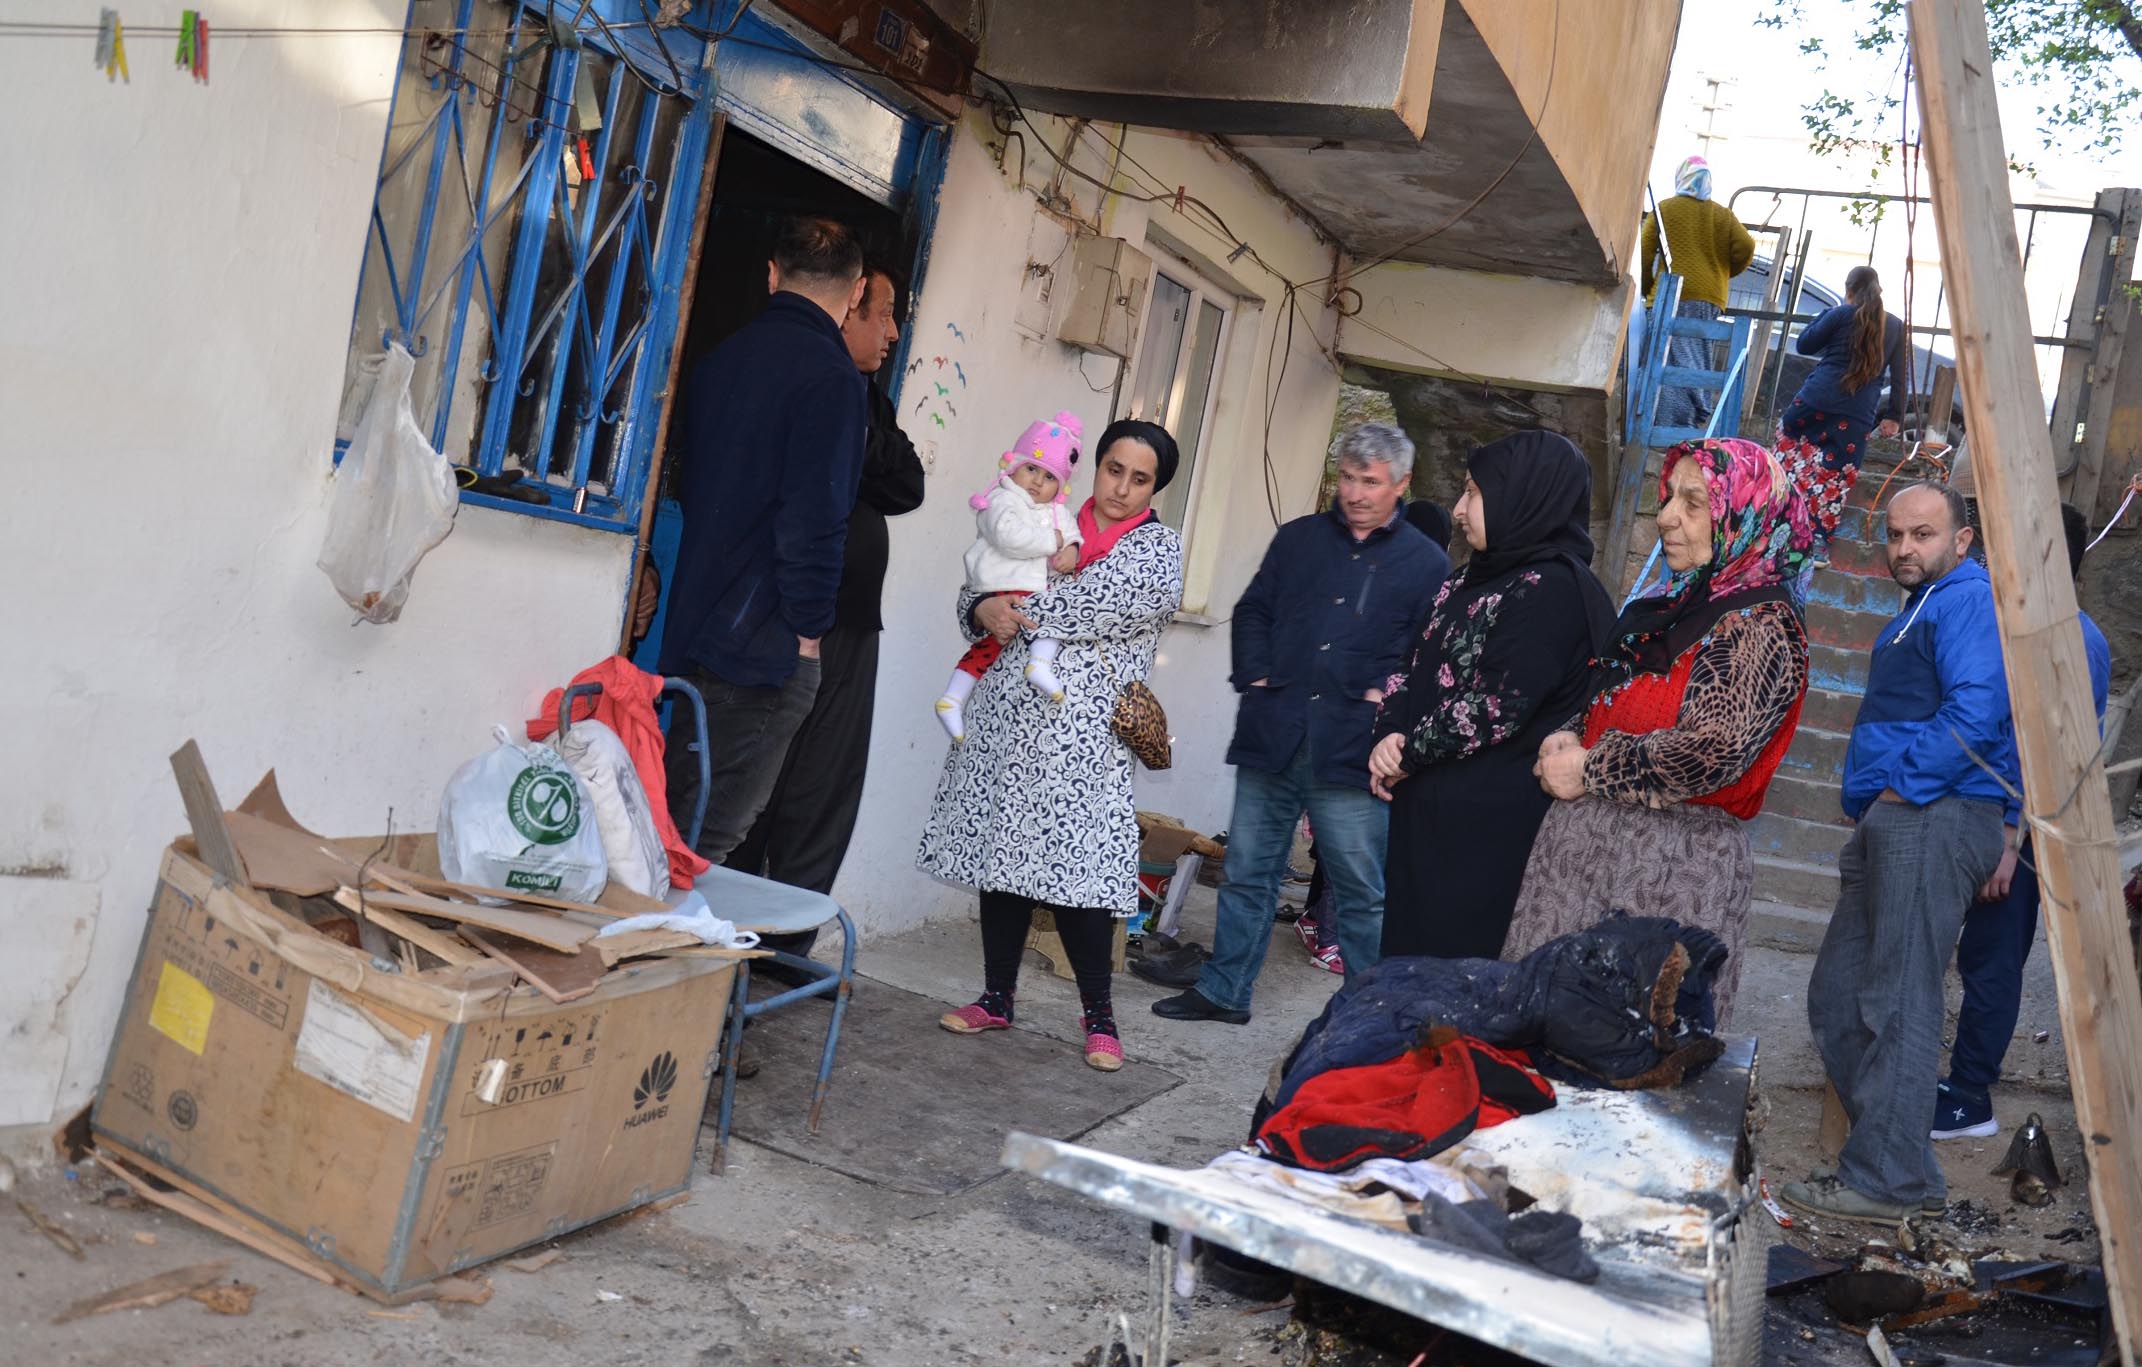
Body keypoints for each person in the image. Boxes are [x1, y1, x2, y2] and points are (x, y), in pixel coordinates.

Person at [1504, 438, 1816, 1026]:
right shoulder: (1670, 603)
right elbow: (1612, 698)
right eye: (1670, 497)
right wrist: (1568, 732)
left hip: (1670, 869)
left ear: (1746, 519)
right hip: (1588, 851)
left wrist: (1590, 767)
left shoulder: (1759, 626)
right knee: (1546, 1034)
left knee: (1627, 1043)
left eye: (1693, 503)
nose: (1667, 516)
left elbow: (1713, 749)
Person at [1151, 424, 1448, 1025]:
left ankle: (1372, 1017)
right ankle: (1224, 991)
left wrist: (1381, 703)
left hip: (1353, 752)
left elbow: (1428, 656)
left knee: (1361, 892)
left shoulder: (1427, 564)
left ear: (1401, 485)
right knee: (1247, 873)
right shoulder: (1299, 540)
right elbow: (1254, 609)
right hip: (1274, 733)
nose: (1357, 493)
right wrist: (1255, 675)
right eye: (1348, 478)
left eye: (1371, 482)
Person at [919, 421, 1186, 1071]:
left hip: (1083, 735)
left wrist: (1002, 599)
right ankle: (996, 997)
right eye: (1112, 468)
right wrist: (981, 604)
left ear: (1156, 488)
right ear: (1094, 466)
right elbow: (976, 588)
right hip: (1008, 719)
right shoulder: (1046, 509)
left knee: (1081, 873)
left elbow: (1092, 604)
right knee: (1001, 857)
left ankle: (1100, 1019)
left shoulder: (1157, 548)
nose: (1120, 487)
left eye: (1139, 477)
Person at [1785, 482, 2013, 1225]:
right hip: (1902, 816)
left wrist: (1901, 788)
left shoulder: (1966, 599)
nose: (1905, 548)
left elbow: (1979, 707)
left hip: (1934, 814)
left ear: (1963, 540)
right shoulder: (1921, 606)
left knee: (1897, 998)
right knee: (1839, 997)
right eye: (1896, 535)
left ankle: (1885, 1180)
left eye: (1923, 534)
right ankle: (1901, 1161)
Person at [728, 258, 924, 968]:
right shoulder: (802, 382)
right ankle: (733, 958)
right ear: (848, 312)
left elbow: (907, 481)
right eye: (884, 314)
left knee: (823, 795)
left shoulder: (865, 397)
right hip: (789, 625)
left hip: (850, 630)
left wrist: (864, 439)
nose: (894, 331)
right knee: (756, 789)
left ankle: (783, 955)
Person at [660, 217, 868, 866]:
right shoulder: (833, 379)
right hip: (759, 642)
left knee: (674, 824)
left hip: (694, 624)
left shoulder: (721, 358)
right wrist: (808, 630)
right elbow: (814, 518)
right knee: (705, 843)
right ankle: (660, 963)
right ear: (856, 292)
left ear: (772, 274)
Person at [1368, 431, 1617, 960]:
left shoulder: (1552, 590)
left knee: (1455, 984)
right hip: (1430, 816)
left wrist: (1407, 753)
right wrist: (1388, 733)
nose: (1459, 510)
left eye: (1474, 493)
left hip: (1489, 839)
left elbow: (1496, 705)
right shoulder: (1468, 580)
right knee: (1407, 972)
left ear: (1523, 496)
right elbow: (1410, 662)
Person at [1934, 502, 2112, 1140]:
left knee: (1992, 959)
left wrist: (2009, 844)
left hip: (2020, 832)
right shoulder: (2007, 623)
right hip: (1973, 814)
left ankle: (1970, 1096)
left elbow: (2053, 755)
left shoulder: (2076, 640)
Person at [934, 412, 1085, 740]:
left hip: (1025, 586)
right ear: (1015, 465)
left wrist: (1071, 547)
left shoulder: (1054, 511)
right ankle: (1038, 665)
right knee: (1043, 618)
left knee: (989, 649)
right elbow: (1008, 536)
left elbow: (1070, 532)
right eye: (1032, 468)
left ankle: (952, 699)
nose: (1037, 482)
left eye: (1049, 477)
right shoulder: (1001, 500)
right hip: (999, 582)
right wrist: (1053, 542)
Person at [1641, 156, 1756, 428]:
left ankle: (1675, 422)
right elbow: (1747, 247)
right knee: (1696, 355)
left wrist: (1647, 290)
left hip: (1672, 295)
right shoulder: (1723, 215)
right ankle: (1695, 413)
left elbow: (1645, 252)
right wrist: (1724, 273)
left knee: (1670, 358)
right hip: (1710, 297)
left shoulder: (1665, 209)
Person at [1778, 265, 1911, 472]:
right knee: (1836, 477)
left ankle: (1786, 502)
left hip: (1816, 400)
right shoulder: (1895, 325)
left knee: (1785, 464)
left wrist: (1827, 313)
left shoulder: (1838, 314)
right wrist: (1894, 416)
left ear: (1849, 290)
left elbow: (1804, 345)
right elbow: (1900, 377)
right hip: (1857, 413)